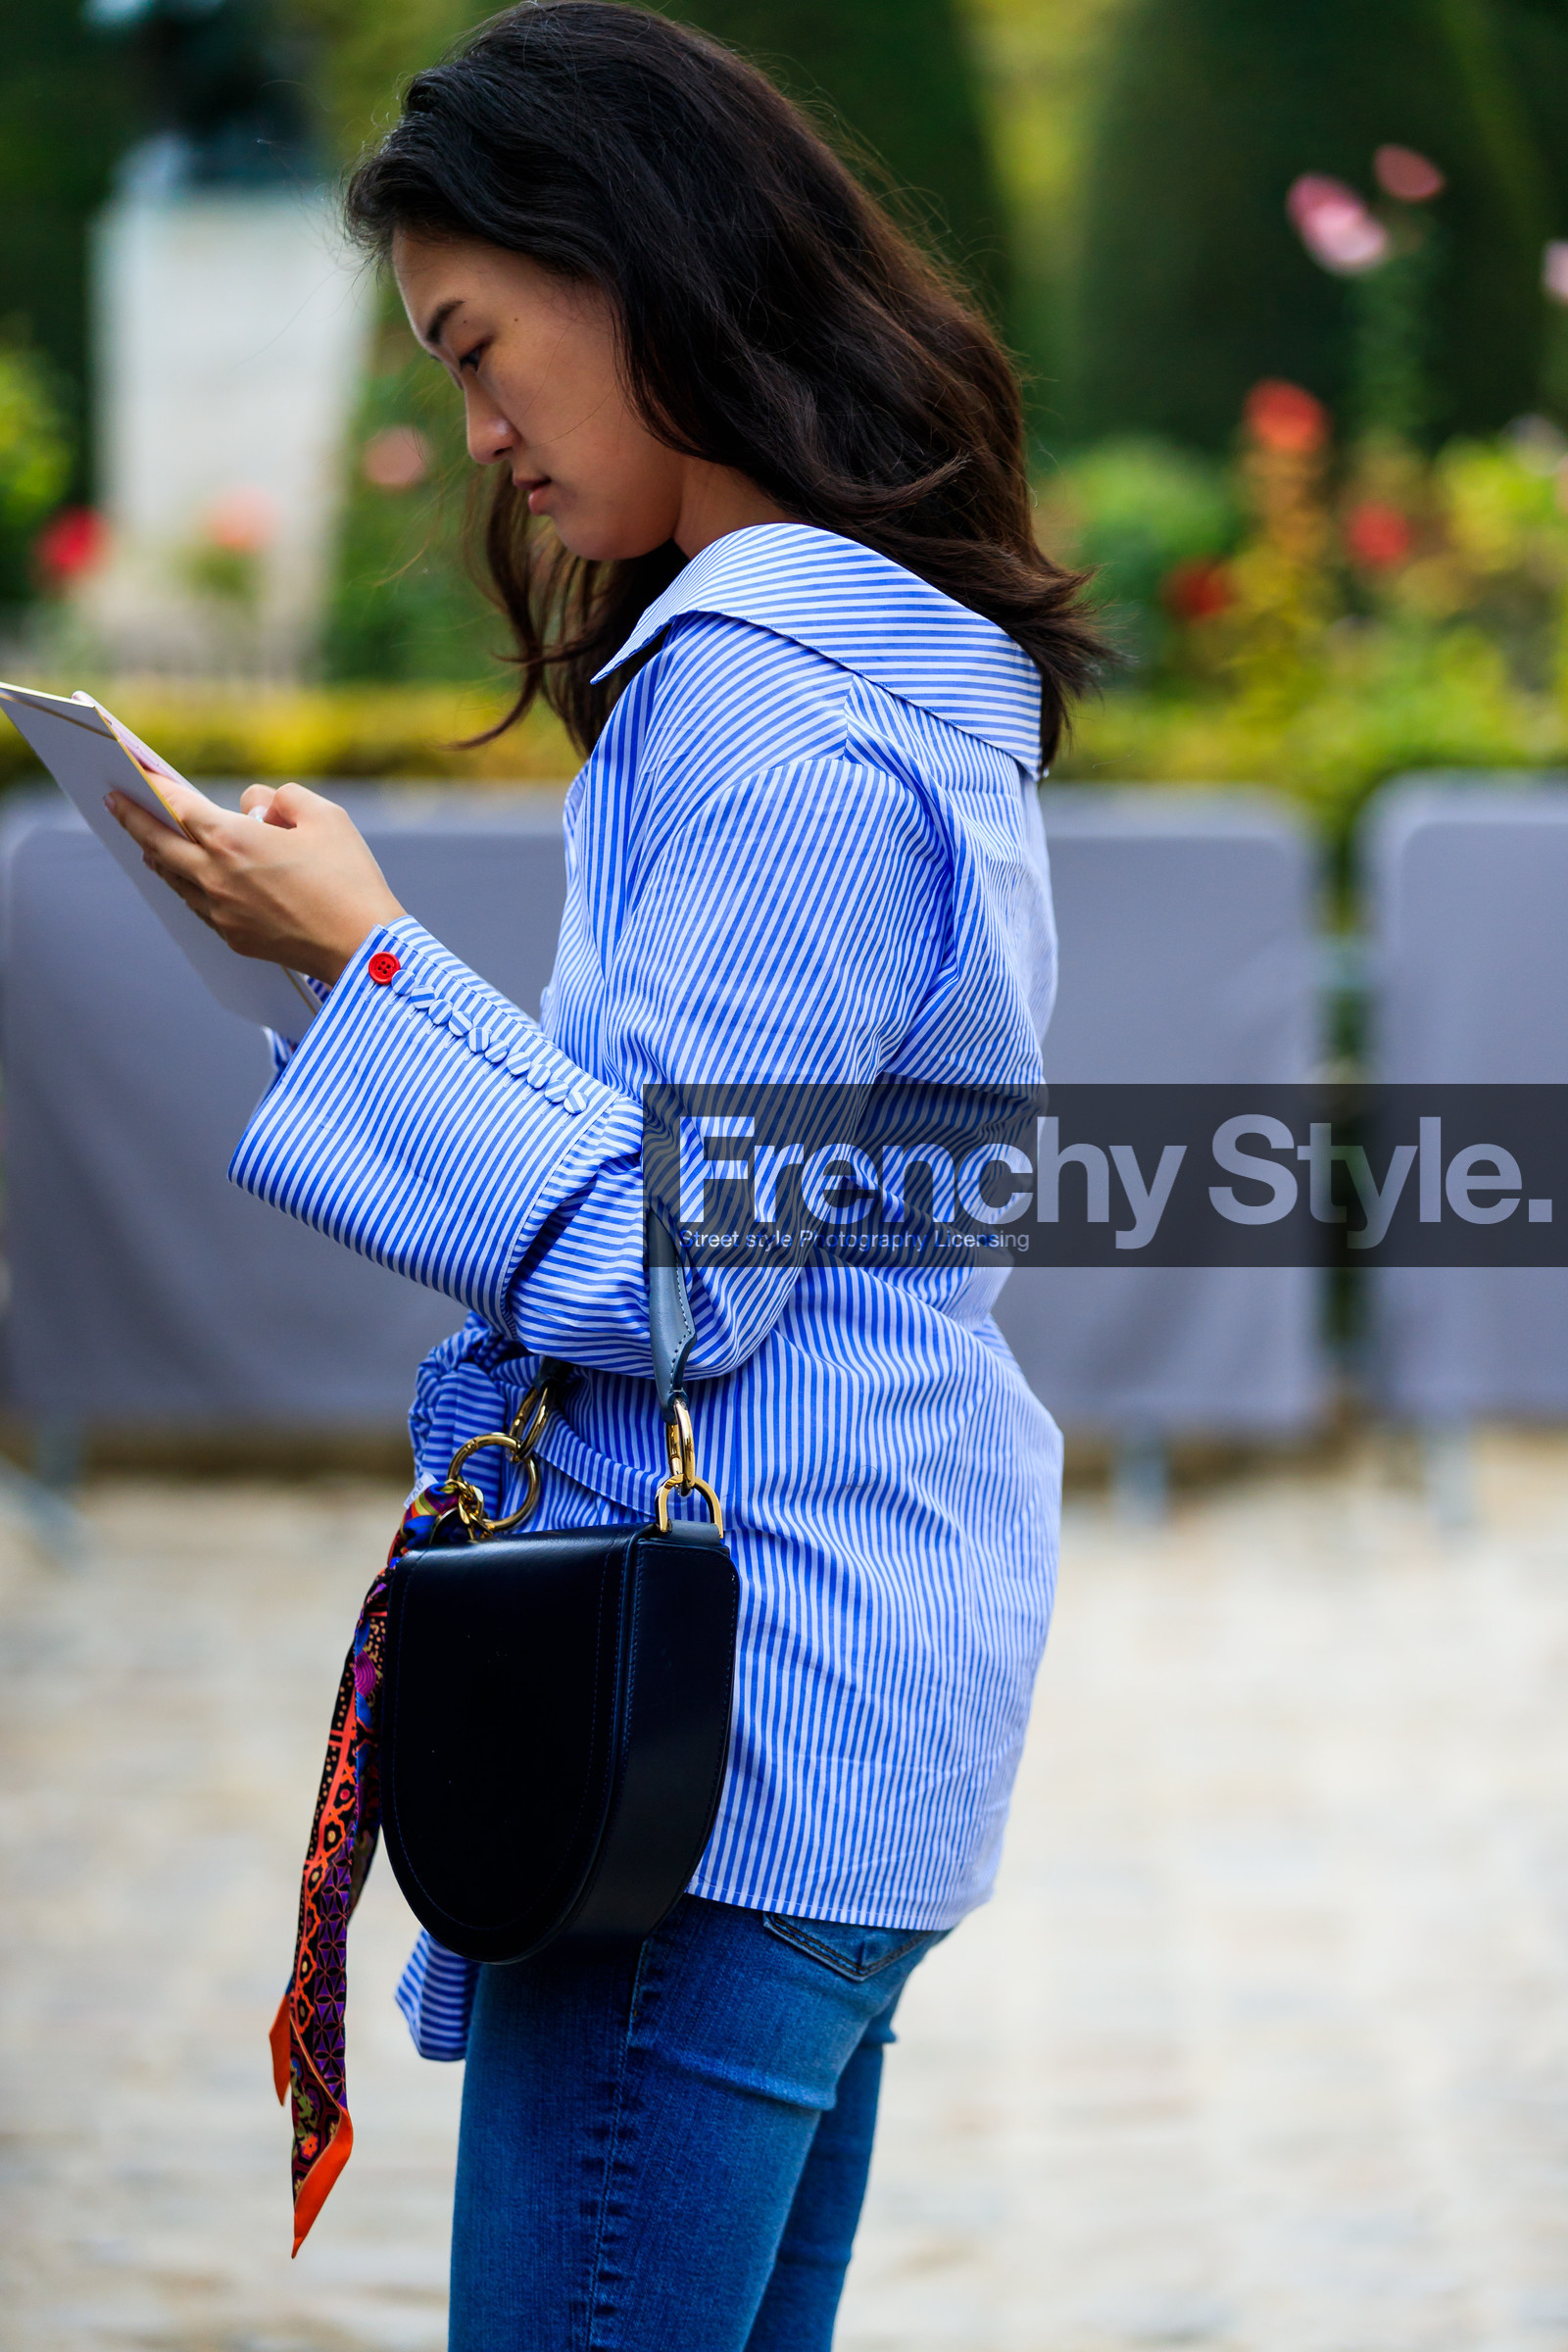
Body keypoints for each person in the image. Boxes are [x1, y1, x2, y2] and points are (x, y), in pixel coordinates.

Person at [108, 4, 1102, 2342]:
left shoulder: (763, 686)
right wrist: (356, 976)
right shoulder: (895, 650)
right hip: (830, 1702)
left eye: (475, 344)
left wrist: (361, 972)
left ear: (629, 259)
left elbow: (679, 1275)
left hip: (715, 1748)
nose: (472, 430)